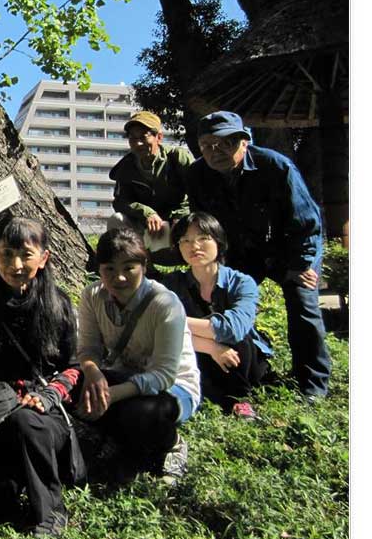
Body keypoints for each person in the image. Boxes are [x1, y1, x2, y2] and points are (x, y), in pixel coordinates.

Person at [185, 110, 330, 399]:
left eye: (224, 143)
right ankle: (246, 370)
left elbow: (307, 223)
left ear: (244, 142)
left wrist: (301, 265)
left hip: (288, 248)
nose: (215, 152)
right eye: (207, 145)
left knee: (302, 302)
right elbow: (207, 226)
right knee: (220, 300)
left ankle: (313, 385)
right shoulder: (198, 175)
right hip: (240, 252)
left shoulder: (276, 167)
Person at [0, 216, 82, 538]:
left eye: (26, 254)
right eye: (7, 253)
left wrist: (48, 396)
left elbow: (74, 367)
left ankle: (50, 515)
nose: (15, 264)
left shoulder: (59, 305)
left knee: (27, 422)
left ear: (43, 258)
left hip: (44, 416)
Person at [76, 228, 200, 484]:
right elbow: (88, 349)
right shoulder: (92, 296)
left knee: (140, 413)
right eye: (109, 269)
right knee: (72, 391)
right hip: (121, 375)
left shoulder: (165, 304)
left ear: (144, 266)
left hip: (174, 387)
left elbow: (164, 375)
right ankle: (120, 445)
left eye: (128, 268)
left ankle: (172, 446)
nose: (118, 277)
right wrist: (92, 372)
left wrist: (111, 396)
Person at [162, 212, 272, 418]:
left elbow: (233, 329)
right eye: (185, 240)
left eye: (203, 238)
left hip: (241, 360)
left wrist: (175, 322)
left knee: (240, 338)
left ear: (218, 241)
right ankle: (207, 396)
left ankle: (240, 399)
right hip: (197, 355)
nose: (194, 246)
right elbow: (158, 330)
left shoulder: (241, 282)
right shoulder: (172, 284)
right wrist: (211, 347)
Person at [107, 110, 193, 264]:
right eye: (132, 138)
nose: (137, 143)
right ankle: (144, 270)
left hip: (180, 228)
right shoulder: (126, 167)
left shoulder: (177, 158)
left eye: (143, 137)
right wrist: (147, 213)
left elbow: (198, 192)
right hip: (149, 232)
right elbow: (120, 202)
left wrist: (181, 220)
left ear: (158, 137)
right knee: (117, 220)